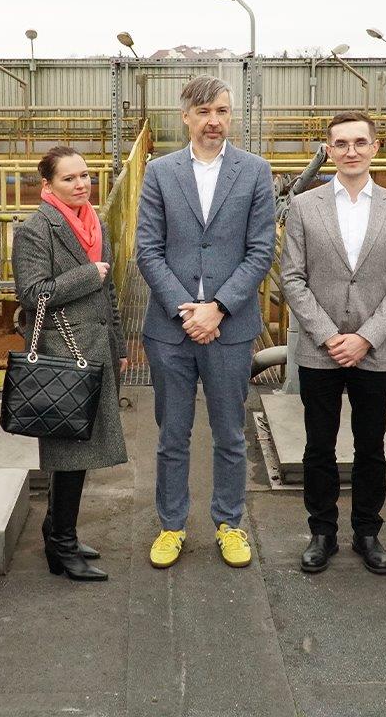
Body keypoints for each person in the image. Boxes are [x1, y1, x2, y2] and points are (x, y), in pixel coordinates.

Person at [135, 74, 275, 569]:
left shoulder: (254, 171)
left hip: (229, 328)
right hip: (170, 330)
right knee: (172, 435)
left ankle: (229, 523)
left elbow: (260, 250)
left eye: (221, 111)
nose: (213, 121)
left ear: (230, 115)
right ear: (186, 117)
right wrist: (186, 308)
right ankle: (171, 526)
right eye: (204, 112)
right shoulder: (160, 172)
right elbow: (147, 250)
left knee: (230, 435)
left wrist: (218, 307)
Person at [281, 112, 386, 575]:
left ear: (375, 148)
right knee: (319, 446)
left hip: (373, 350)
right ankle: (322, 532)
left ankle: (367, 531)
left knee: (371, 445)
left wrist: (365, 337)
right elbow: (293, 278)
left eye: (360, 142)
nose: (351, 151)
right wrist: (328, 335)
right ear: (328, 150)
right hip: (320, 349)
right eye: (341, 144)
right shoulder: (305, 206)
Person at [11, 146, 128, 581]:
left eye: (85, 176)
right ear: (48, 185)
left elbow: (109, 292)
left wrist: (119, 345)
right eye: (69, 178)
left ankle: (59, 532)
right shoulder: (35, 230)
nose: (81, 185)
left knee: (79, 452)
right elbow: (32, 293)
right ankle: (61, 545)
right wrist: (87, 274)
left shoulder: (96, 224)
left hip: (97, 349)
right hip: (62, 353)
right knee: (68, 451)